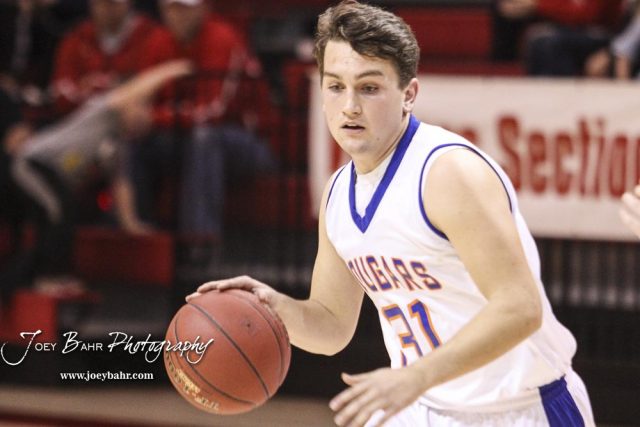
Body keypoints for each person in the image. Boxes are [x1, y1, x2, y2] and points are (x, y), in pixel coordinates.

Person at [187, 2, 595, 426]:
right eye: (335, 86)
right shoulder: (338, 192)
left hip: (519, 408)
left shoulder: (447, 173)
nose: (349, 106)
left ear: (409, 95)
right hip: (423, 405)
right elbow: (331, 326)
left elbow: (520, 307)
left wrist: (416, 376)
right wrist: (274, 308)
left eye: (369, 88)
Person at [1, 60, 191, 302]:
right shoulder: (103, 110)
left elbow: (121, 185)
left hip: (52, 175)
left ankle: (31, 279)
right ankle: (43, 279)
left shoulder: (118, 145)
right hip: (32, 164)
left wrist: (132, 225)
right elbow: (129, 92)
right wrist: (170, 70)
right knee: (59, 211)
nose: (146, 115)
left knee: (63, 211)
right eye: (142, 106)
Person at [132, 0, 275, 267]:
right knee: (133, 138)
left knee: (204, 138)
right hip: (184, 136)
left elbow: (213, 111)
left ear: (202, 8)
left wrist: (154, 118)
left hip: (250, 143)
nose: (178, 15)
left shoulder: (222, 38)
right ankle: (137, 238)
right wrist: (140, 118)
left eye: (184, 8)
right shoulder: (158, 41)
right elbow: (140, 101)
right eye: (172, 8)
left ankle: (200, 245)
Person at [51, 0, 161, 116]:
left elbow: (155, 94)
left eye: (112, 4)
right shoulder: (77, 38)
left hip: (133, 121)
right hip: (83, 118)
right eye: (101, 3)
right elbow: (61, 93)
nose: (106, 9)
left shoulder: (152, 37)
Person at [494, 0, 625, 76]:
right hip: (567, 31)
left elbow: (586, 15)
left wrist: (537, 6)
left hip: (602, 37)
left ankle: (559, 97)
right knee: (537, 38)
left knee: (550, 43)